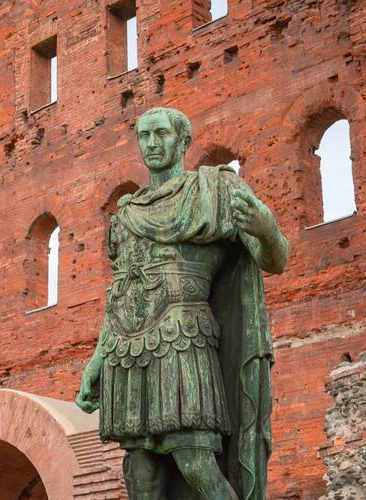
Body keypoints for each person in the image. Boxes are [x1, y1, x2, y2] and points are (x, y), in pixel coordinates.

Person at [76, 107, 289, 499]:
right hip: (127, 351)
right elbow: (121, 293)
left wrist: (267, 230)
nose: (153, 144)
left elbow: (274, 261)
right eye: (144, 136)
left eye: (161, 135)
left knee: (196, 463)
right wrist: (97, 361)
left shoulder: (214, 191)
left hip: (183, 338)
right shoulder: (126, 214)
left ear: (183, 141)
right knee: (142, 477)